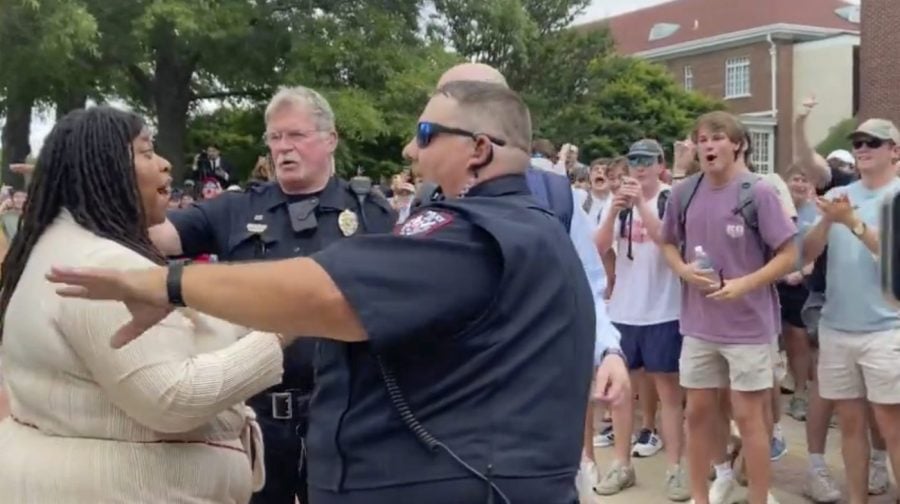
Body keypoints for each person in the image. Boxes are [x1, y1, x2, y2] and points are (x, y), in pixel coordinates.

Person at [49, 81, 597, 504]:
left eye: (426, 135)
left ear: (478, 149)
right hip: (291, 424)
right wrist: (74, 190)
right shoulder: (518, 224)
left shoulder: (470, 233)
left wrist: (167, 285)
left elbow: (325, 296)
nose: (410, 148)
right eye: (276, 138)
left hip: (461, 479)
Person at [0, 107, 287, 503]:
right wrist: (279, 328)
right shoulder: (100, 264)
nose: (166, 164)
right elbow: (171, 398)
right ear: (107, 169)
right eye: (147, 152)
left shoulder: (61, 247)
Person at [148, 86, 396, 504]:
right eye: (275, 138)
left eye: (296, 136)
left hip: (346, 417)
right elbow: (158, 237)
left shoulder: (370, 213)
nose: (284, 148)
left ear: (329, 139)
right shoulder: (236, 209)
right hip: (256, 419)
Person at [660, 111, 798, 504]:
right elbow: (667, 242)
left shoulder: (758, 192)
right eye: (701, 139)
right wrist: (682, 270)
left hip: (748, 329)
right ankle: (700, 497)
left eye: (717, 138)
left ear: (737, 144)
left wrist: (745, 284)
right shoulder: (685, 192)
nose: (707, 146)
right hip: (699, 326)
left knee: (751, 419)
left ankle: (757, 498)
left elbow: (789, 255)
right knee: (698, 414)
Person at [801, 118, 900, 504]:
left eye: (872, 142)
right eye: (857, 142)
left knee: (892, 425)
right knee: (851, 425)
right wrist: (827, 219)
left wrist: (852, 222)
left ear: (894, 150)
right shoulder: (840, 194)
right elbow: (805, 255)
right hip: (837, 328)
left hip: (888, 329)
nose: (862, 148)